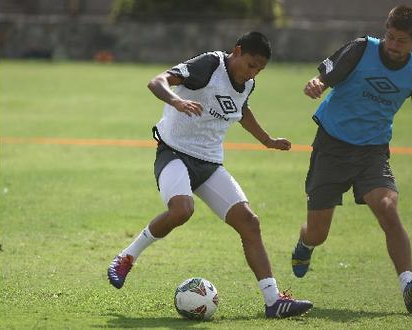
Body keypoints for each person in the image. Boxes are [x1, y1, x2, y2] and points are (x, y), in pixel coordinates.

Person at [290, 5, 412, 314]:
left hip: (372, 151)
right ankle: (305, 244)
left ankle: (408, 283)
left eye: (401, 41)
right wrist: (317, 84)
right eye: (390, 37)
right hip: (332, 146)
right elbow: (326, 77)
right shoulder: (362, 48)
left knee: (388, 208)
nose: (393, 45)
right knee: (318, 232)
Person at [107, 31, 313, 318]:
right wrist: (177, 101)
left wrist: (267, 140)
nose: (253, 73)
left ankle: (273, 300)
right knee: (182, 210)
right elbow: (157, 82)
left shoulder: (247, 83)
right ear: (237, 51)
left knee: (249, 222)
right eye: (251, 65)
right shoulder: (210, 65)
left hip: (209, 163)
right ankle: (126, 257)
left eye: (260, 70)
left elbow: (241, 109)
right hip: (174, 153)